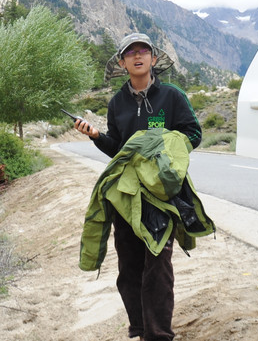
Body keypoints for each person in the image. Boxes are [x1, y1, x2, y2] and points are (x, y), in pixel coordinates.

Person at [73, 32, 203, 341]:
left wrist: (165, 150)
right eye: (130, 52)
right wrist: (95, 136)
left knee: (157, 265)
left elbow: (193, 133)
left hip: (162, 194)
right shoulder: (117, 103)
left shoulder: (172, 96)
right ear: (122, 62)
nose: (137, 55)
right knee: (129, 268)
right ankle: (141, 328)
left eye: (143, 50)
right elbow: (118, 148)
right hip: (127, 195)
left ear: (153, 58)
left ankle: (158, 335)